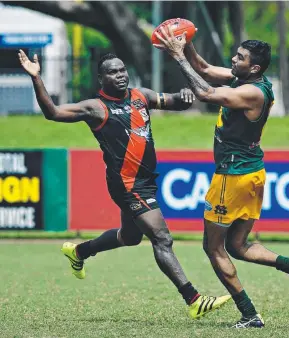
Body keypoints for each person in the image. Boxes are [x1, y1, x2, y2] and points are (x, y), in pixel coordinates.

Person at [18, 50, 231, 319]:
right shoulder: (95, 107)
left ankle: (79, 251)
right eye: (112, 72)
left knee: (130, 237)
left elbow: (175, 101)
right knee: (162, 238)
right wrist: (36, 78)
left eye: (122, 70)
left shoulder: (141, 95)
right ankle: (194, 299)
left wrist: (185, 96)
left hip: (146, 180)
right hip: (127, 184)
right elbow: (53, 112)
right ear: (100, 78)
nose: (120, 75)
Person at [154, 27, 289, 328]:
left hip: (232, 178)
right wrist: (188, 42)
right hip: (252, 174)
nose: (234, 59)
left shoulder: (251, 92)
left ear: (254, 67)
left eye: (240, 57)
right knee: (238, 246)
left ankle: (250, 315)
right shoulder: (247, 81)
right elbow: (204, 69)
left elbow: (205, 92)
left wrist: (178, 56)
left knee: (213, 247)